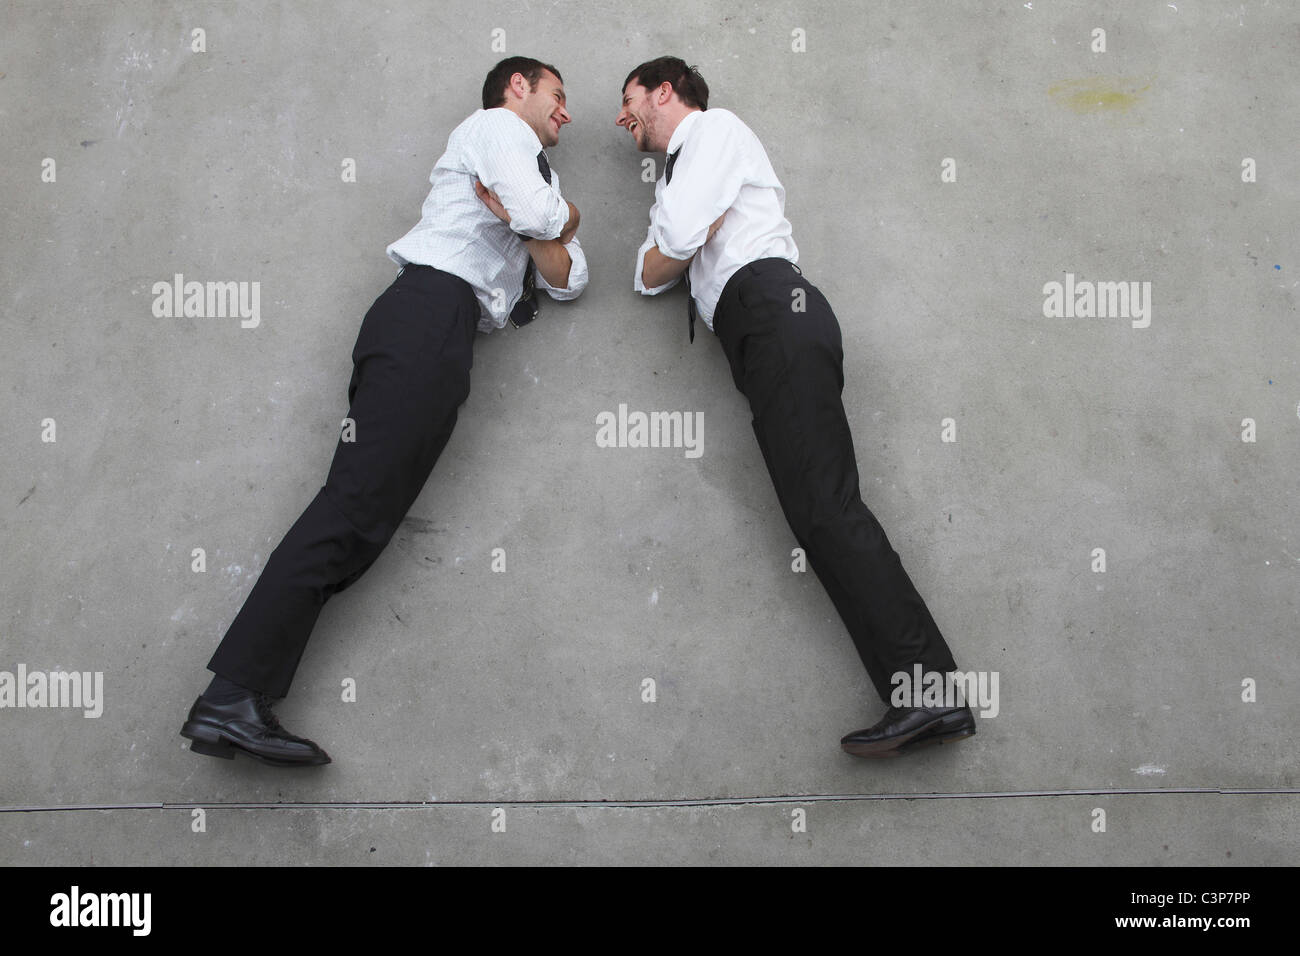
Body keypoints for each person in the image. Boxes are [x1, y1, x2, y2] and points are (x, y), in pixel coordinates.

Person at [181, 56, 587, 766]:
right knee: (351, 510)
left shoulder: (526, 164)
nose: (566, 113)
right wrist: (554, 219)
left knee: (362, 520)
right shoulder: (496, 127)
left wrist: (541, 221)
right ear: (517, 88)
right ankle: (231, 696)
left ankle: (241, 697)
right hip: (428, 317)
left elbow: (570, 279)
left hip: (440, 334)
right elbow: (544, 223)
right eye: (557, 95)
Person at [615, 56, 974, 757]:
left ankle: (930, 694)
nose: (622, 117)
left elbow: (676, 246)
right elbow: (647, 274)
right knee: (819, 512)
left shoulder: (714, 132)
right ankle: (926, 695)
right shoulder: (680, 172)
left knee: (827, 509)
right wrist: (676, 241)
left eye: (629, 100)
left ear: (665, 92)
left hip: (775, 312)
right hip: (759, 332)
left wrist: (679, 241)